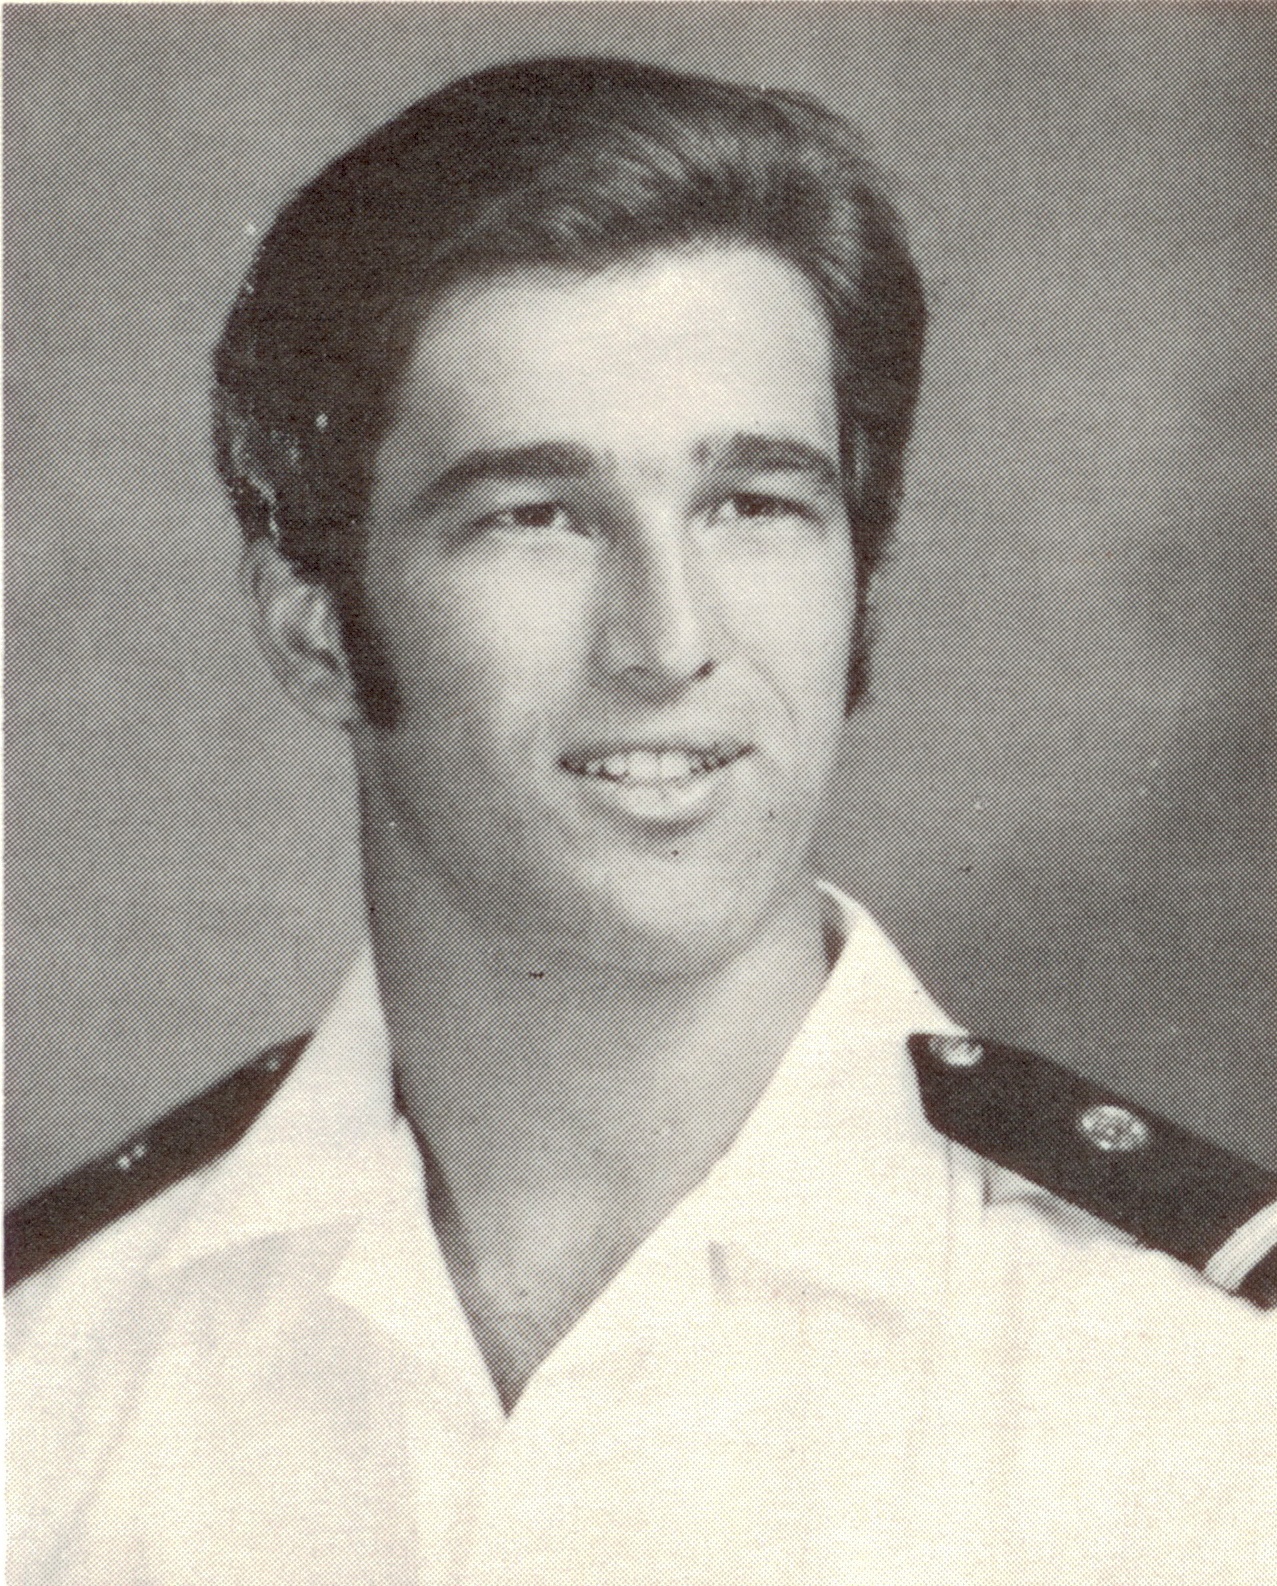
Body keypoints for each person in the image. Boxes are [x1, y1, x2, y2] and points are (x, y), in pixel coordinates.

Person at [6, 55, 1274, 1586]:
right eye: (535, 516)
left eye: (755, 505)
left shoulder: (1207, 1396)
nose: (668, 641)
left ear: (860, 588)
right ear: (314, 629)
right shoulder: (50, 1385)